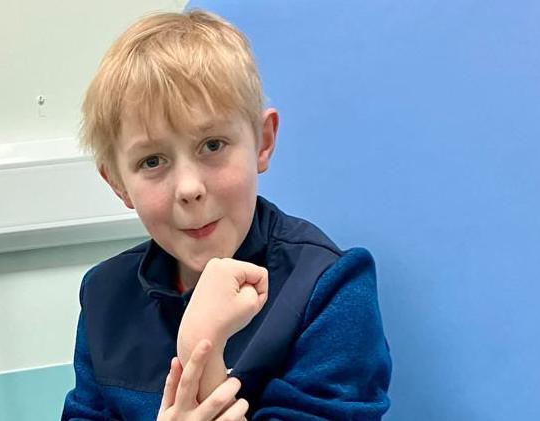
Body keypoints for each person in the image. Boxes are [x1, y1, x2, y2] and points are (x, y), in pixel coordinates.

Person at [61, 9, 391, 420]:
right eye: (152, 161)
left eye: (212, 145)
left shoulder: (329, 288)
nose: (189, 189)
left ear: (262, 142)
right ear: (117, 184)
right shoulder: (104, 297)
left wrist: (203, 345)